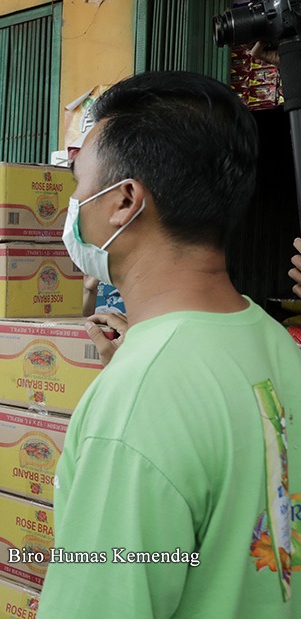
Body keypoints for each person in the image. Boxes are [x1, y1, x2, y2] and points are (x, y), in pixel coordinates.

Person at [37, 71, 301, 617]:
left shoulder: (138, 402)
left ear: (125, 200)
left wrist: (145, 375)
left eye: (78, 182)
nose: (73, 203)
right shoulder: (279, 346)